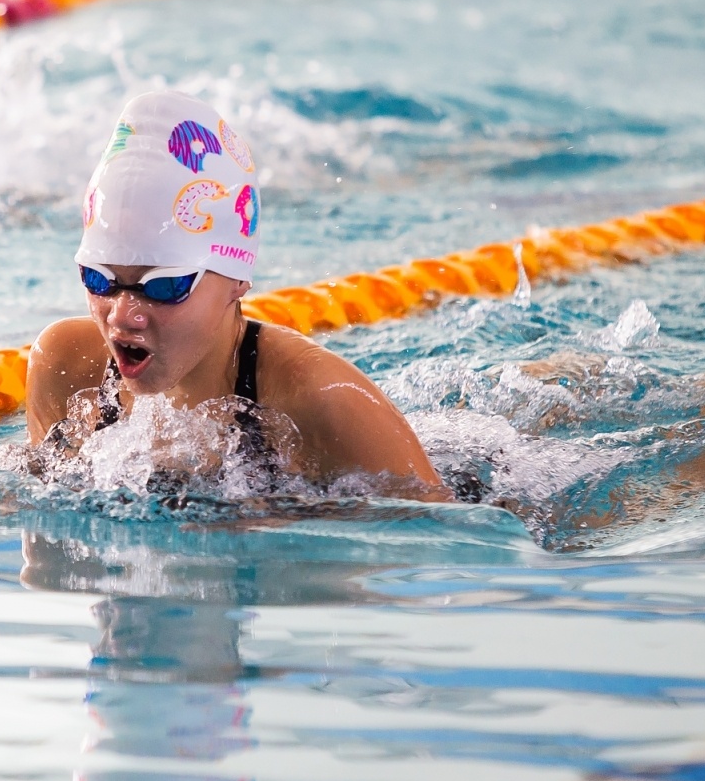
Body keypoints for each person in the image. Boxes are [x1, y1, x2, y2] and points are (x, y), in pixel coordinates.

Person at [25, 91, 448, 501]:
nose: (122, 314)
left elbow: (439, 538)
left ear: (237, 279)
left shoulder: (325, 400)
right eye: (99, 279)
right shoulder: (64, 367)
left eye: (164, 286)